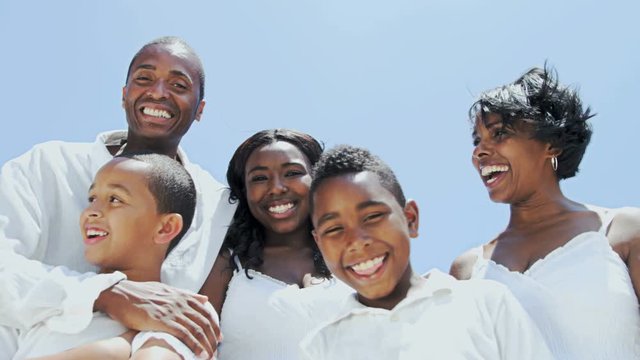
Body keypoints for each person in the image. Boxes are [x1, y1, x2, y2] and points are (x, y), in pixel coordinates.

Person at [0, 36, 235, 359]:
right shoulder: (48, 165)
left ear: (200, 109)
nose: (158, 92)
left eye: (179, 85)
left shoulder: (219, 207)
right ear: (124, 95)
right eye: (144, 78)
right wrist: (106, 293)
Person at [450, 66, 640, 359]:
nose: (479, 152)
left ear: (551, 145)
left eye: (499, 133)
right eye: (477, 140)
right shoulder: (467, 269)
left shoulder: (623, 229)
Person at [300, 145, 553, 359]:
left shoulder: (485, 303)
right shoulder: (320, 348)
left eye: (373, 216)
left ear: (410, 219)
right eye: (334, 229)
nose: (356, 241)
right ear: (319, 243)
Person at [17, 153, 213, 359]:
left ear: (166, 227)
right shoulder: (53, 300)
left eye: (115, 199)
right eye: (92, 199)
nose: (91, 212)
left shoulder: (182, 310)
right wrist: (121, 345)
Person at [199, 129, 351, 360]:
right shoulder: (226, 263)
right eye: (259, 178)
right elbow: (190, 345)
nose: (277, 187)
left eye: (292, 173)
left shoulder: (354, 259)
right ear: (244, 191)